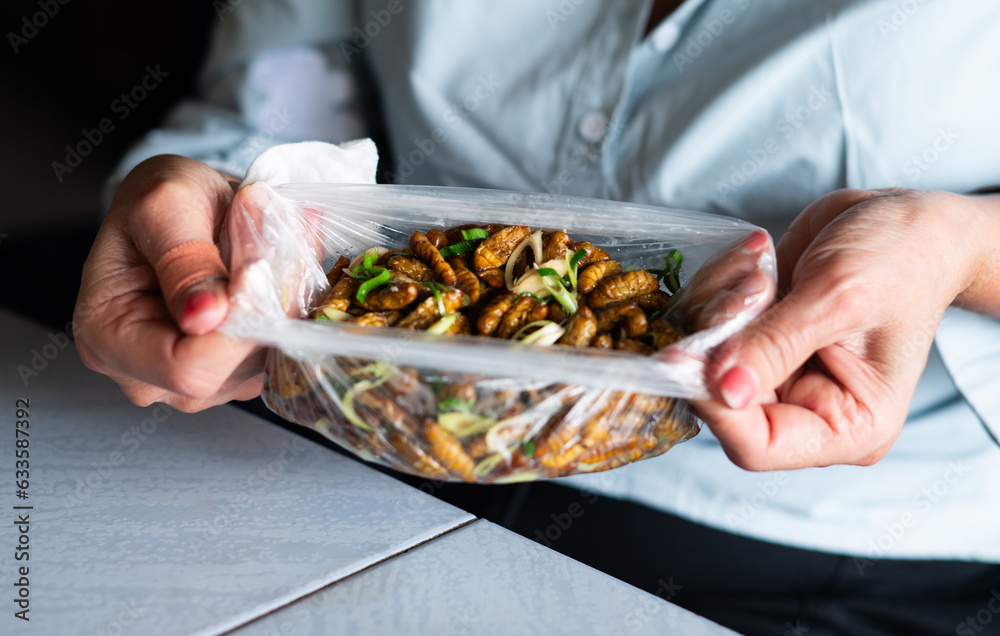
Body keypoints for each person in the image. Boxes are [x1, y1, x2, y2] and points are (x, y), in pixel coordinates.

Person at [74, 1, 1000, 633]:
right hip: (375, 419)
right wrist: (229, 200)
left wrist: (959, 245)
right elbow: (288, 81)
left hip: (809, 535)